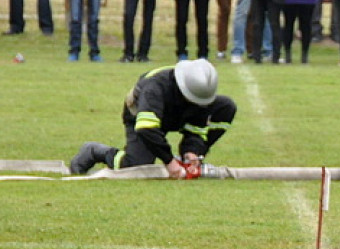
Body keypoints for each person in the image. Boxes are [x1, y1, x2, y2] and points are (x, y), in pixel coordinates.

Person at [69, 59, 235, 177]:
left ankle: (192, 160)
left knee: (226, 106)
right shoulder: (154, 88)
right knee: (136, 166)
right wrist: (169, 161)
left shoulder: (198, 94)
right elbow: (146, 128)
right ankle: (95, 151)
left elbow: (196, 125)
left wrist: (192, 152)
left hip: (175, 114)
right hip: (141, 119)